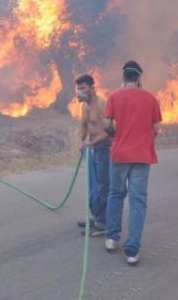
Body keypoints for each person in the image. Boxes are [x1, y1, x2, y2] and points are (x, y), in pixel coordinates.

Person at [103, 60, 162, 266]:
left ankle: (111, 238)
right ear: (139, 78)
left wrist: (116, 135)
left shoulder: (113, 96)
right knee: (138, 202)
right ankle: (132, 251)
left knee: (116, 194)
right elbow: (156, 129)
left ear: (124, 77)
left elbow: (106, 125)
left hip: (119, 154)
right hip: (142, 156)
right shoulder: (151, 98)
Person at [75, 74, 111, 237]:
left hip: (104, 148)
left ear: (92, 88)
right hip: (92, 148)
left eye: (83, 88)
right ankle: (96, 216)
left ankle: (103, 222)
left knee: (103, 185)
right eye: (78, 88)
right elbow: (83, 126)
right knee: (93, 185)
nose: (79, 92)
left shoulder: (102, 104)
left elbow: (110, 132)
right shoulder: (84, 106)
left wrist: (93, 142)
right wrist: (80, 141)